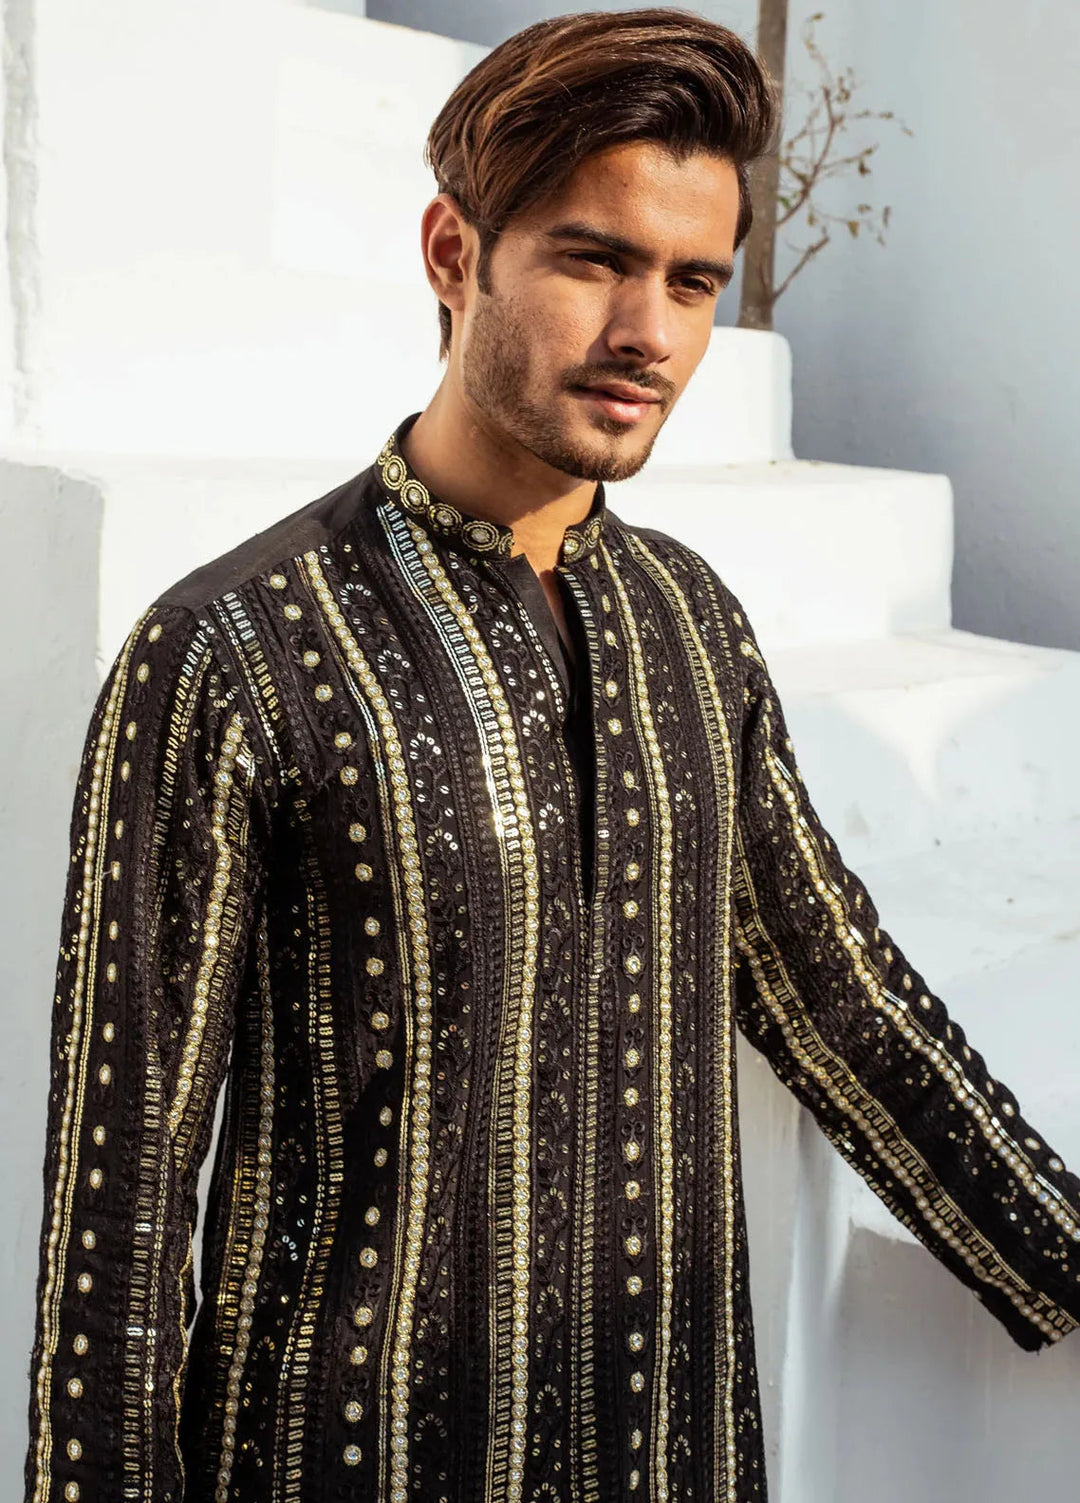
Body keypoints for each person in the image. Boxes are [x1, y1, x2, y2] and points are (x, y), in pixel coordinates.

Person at [23, 9, 1080, 1501]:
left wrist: (1063, 1250)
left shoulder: (689, 627)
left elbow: (834, 997)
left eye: (693, 283)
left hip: (668, 1454)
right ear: (453, 253)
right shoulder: (232, 652)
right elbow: (119, 1199)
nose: (650, 331)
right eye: (594, 260)